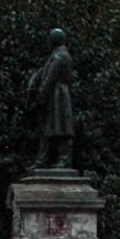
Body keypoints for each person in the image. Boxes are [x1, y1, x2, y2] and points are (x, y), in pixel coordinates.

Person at [26, 28, 74, 169]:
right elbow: (44, 72)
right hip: (56, 95)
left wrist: (40, 98)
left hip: (57, 96)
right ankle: (42, 160)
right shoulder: (57, 55)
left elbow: (49, 79)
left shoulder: (59, 56)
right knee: (49, 128)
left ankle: (63, 159)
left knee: (61, 128)